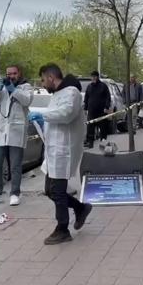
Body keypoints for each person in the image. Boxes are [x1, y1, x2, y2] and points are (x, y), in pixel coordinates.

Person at [29, 63, 92, 245]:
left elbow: (66, 114)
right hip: (54, 150)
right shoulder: (58, 94)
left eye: (42, 79)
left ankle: (62, 228)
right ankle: (80, 208)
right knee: (50, 190)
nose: (42, 84)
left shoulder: (72, 92)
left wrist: (43, 115)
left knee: (57, 190)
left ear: (50, 77)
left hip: (64, 150)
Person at [0, 65, 34, 206]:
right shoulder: (1, 87)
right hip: (1, 130)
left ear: (19, 73)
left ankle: (15, 193)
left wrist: (13, 89)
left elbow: (26, 101)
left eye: (14, 73)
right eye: (8, 74)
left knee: (15, 165)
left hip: (16, 131)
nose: (11, 76)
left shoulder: (26, 87)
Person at [83, 71, 111, 148]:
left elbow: (108, 97)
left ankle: (103, 142)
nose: (93, 78)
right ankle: (90, 142)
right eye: (92, 77)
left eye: (95, 76)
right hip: (91, 111)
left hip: (101, 111)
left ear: (97, 77)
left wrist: (106, 107)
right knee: (90, 127)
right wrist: (85, 108)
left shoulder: (103, 86)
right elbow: (86, 98)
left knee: (103, 128)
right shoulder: (89, 86)